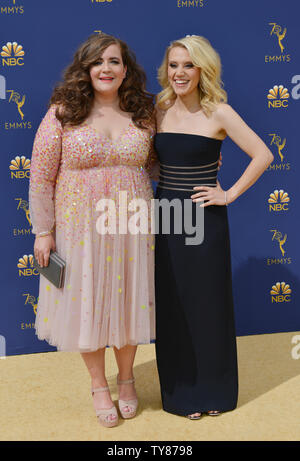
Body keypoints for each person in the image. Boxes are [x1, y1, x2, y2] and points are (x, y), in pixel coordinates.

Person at [29, 33, 158, 428]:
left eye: (115, 61)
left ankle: (127, 378)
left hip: (132, 226)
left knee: (129, 304)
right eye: (98, 61)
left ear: (126, 69)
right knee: (85, 306)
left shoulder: (143, 112)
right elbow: (40, 175)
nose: (107, 68)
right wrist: (43, 230)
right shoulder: (63, 112)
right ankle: (99, 385)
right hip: (80, 228)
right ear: (85, 69)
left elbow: (155, 167)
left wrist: (200, 168)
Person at [154, 35, 273, 419]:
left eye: (188, 65)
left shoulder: (219, 112)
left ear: (203, 69)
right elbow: (154, 162)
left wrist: (229, 193)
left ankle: (214, 393)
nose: (179, 73)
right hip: (168, 215)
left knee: (207, 304)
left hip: (204, 218)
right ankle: (181, 395)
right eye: (173, 65)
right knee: (174, 303)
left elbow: (263, 154)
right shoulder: (159, 107)